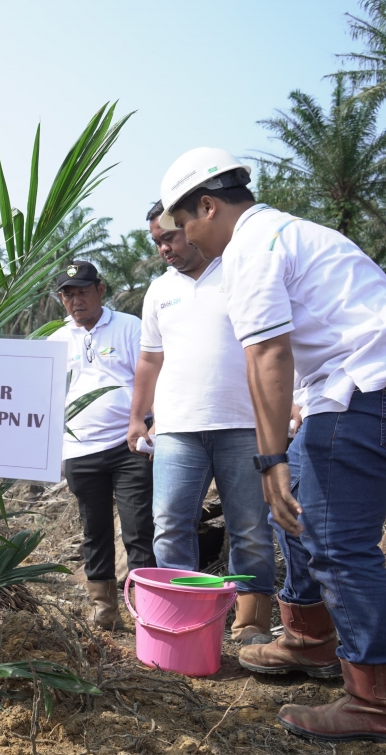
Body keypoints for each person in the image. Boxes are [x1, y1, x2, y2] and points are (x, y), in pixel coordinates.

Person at [159, 146, 386, 742]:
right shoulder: (294, 234)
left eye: (184, 224)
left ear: (208, 206)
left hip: (360, 392)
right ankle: (310, 640)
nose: (187, 239)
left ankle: (374, 698)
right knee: (298, 518)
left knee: (336, 543)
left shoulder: (252, 250)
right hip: (352, 388)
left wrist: (271, 459)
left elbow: (268, 353)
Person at [127, 200, 276, 645]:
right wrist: (138, 417)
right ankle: (182, 622)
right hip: (176, 429)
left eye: (169, 237)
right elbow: (150, 360)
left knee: (249, 525)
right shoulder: (159, 291)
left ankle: (250, 623)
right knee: (170, 521)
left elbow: (272, 344)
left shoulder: (239, 272)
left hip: (243, 423)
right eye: (156, 242)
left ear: (192, 226)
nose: (164, 249)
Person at [48, 260, 156, 629]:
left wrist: (149, 423)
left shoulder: (130, 326)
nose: (75, 299)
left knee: (139, 526)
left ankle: (145, 608)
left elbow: (151, 377)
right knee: (94, 529)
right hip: (79, 450)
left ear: (101, 289)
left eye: (82, 290)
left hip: (128, 445)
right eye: (68, 293)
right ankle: (104, 609)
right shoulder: (55, 341)